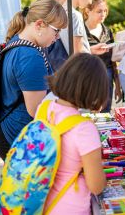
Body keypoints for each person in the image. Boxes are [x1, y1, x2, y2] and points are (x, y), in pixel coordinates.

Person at [0, 0, 67, 160]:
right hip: (19, 137)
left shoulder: (18, 42)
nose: (58, 37)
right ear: (40, 24)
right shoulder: (30, 56)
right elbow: (37, 110)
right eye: (57, 31)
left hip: (10, 132)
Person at [43, 53, 107, 214]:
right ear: (93, 90)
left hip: (41, 202)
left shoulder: (45, 108)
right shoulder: (84, 128)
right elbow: (96, 186)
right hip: (70, 206)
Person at [47, 0, 107, 71]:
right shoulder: (75, 15)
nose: (90, 2)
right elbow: (78, 56)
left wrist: (90, 50)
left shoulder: (59, 11)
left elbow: (69, 48)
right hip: (77, 75)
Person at [83, 0, 121, 112]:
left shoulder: (107, 31)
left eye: (105, 10)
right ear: (88, 11)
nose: (103, 14)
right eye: (99, 11)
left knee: (105, 113)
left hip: (106, 78)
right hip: (87, 79)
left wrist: (118, 85)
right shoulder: (80, 32)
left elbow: (113, 60)